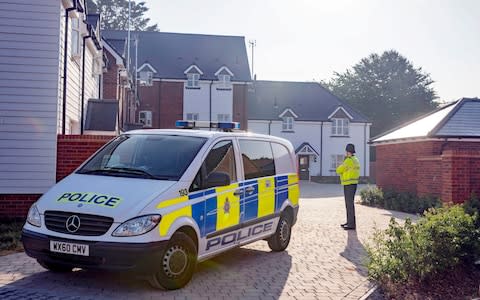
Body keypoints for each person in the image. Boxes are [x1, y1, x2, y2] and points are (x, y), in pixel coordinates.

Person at [336, 143, 360, 230]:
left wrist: (343, 162)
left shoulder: (348, 160)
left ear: (348, 151)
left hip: (348, 185)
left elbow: (338, 170)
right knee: (350, 205)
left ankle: (351, 225)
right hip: (353, 184)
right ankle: (350, 222)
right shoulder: (355, 159)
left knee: (349, 205)